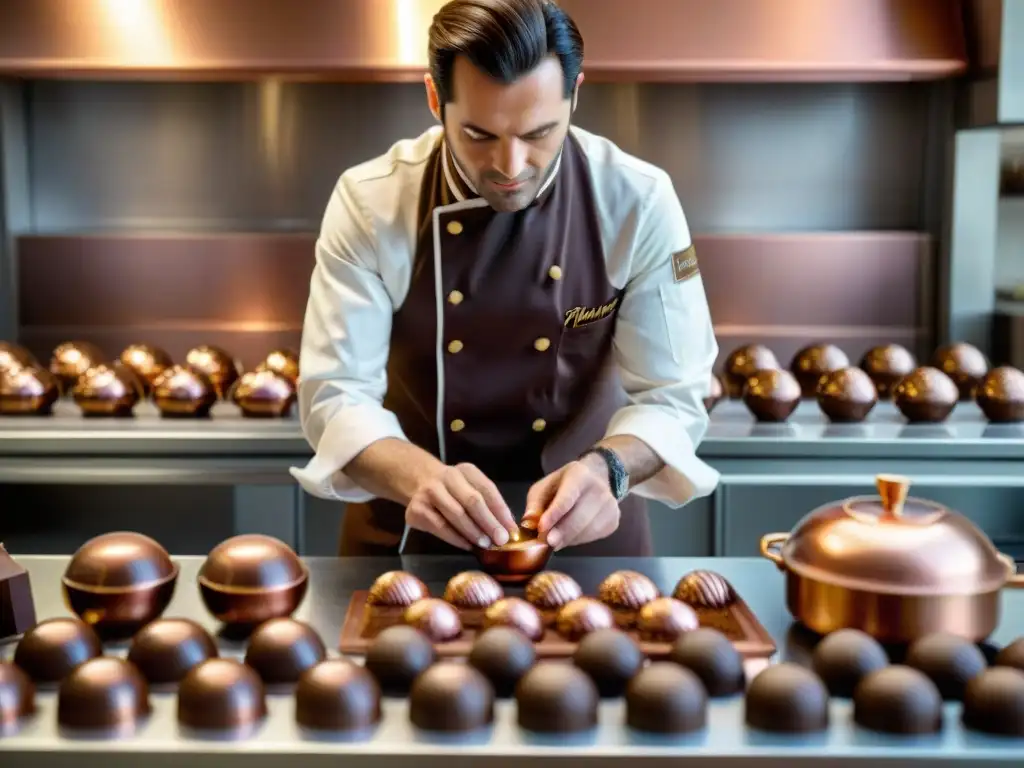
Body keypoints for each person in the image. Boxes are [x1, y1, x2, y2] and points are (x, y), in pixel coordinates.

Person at [290, 0, 720, 557]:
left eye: (540, 132)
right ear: (432, 99)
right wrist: (420, 478)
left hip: (586, 538)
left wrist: (609, 469)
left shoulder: (637, 200)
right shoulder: (372, 202)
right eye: (479, 134)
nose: (510, 166)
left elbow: (676, 395)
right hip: (411, 534)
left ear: (575, 95)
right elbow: (334, 393)